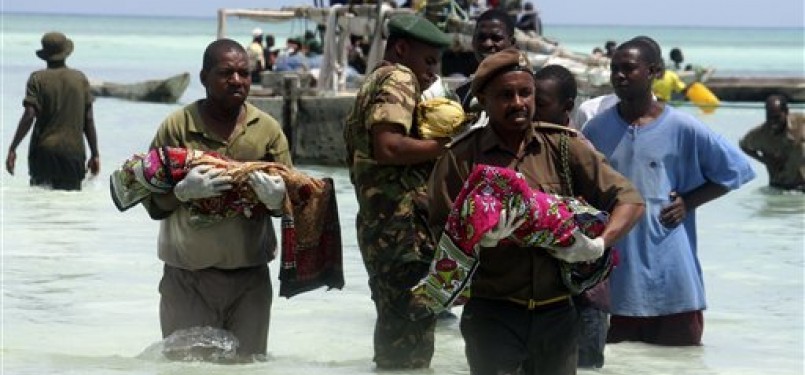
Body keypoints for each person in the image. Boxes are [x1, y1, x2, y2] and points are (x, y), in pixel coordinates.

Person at [428, 48, 645, 375]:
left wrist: (598, 244)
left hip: (557, 314)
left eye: (525, 93)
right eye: (505, 95)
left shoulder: (563, 147)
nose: (518, 102)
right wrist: (476, 240)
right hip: (493, 316)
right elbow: (439, 233)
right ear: (483, 100)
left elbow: (630, 200)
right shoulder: (461, 158)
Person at [582, 39, 755, 347]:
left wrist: (690, 201)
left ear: (655, 72)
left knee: (679, 364)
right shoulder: (595, 129)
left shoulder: (683, 126)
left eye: (629, 69)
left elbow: (735, 170)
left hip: (674, 278)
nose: (619, 76)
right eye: (614, 69)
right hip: (617, 281)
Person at [140, 38, 292, 361]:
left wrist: (280, 200)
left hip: (250, 281)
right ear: (204, 78)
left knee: (247, 368)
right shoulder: (178, 127)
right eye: (225, 73)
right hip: (187, 280)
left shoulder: (267, 131)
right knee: (187, 368)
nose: (236, 80)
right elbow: (150, 200)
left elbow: (293, 200)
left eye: (244, 73)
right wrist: (180, 192)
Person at [342, 14, 452, 370]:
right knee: (412, 342)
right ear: (402, 49)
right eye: (429, 61)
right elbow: (388, 147)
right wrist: (447, 145)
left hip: (383, 228)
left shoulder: (374, 80)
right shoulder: (399, 77)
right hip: (403, 232)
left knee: (394, 332)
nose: (433, 72)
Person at [533, 64, 605, 368]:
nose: (530, 109)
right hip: (543, 289)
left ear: (567, 108)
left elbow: (616, 205)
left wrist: (597, 245)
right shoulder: (529, 150)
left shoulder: (578, 150)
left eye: (541, 103)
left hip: (582, 287)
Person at [6, 31, 99, 191]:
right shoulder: (80, 79)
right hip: (73, 153)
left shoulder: (37, 79)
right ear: (66, 53)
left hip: (44, 153)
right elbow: (88, 119)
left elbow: (29, 115)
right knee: (70, 207)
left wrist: (13, 148)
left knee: (41, 207)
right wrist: (95, 153)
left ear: (45, 54)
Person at [454, 9, 517, 113]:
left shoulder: (525, 88)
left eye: (496, 38)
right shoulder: (463, 93)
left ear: (512, 42)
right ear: (473, 42)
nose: (487, 44)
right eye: (481, 38)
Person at [740, 94, 805, 191]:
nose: (773, 122)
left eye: (777, 117)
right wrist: (764, 160)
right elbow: (744, 145)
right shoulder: (760, 134)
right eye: (769, 117)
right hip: (779, 187)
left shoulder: (801, 122)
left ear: (786, 112)